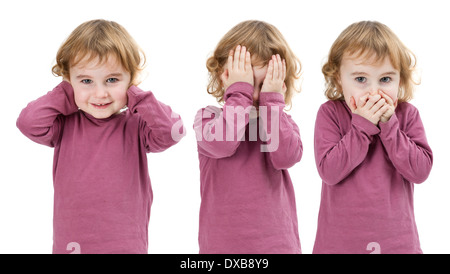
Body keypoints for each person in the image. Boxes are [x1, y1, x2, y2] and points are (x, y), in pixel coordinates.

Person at [16, 19, 185, 254]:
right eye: (86, 81)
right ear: (69, 80)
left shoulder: (136, 126)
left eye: (112, 80)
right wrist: (66, 92)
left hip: (126, 245)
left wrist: (137, 96)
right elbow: (27, 122)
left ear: (130, 80)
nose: (100, 93)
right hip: (70, 246)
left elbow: (172, 131)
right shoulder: (65, 125)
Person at [313, 21, 433, 253]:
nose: (374, 92)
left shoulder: (407, 115)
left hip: (397, 244)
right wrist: (362, 127)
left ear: (400, 79)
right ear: (339, 79)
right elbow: (329, 171)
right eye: (360, 80)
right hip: (339, 245)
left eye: (385, 79)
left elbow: (420, 172)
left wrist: (390, 127)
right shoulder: (331, 113)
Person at [194, 20, 303, 253]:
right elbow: (224, 143)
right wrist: (238, 94)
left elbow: (286, 158)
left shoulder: (283, 123)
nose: (254, 94)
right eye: (247, 82)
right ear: (225, 77)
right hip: (222, 247)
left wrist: (272, 104)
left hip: (277, 245)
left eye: (265, 84)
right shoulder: (207, 118)